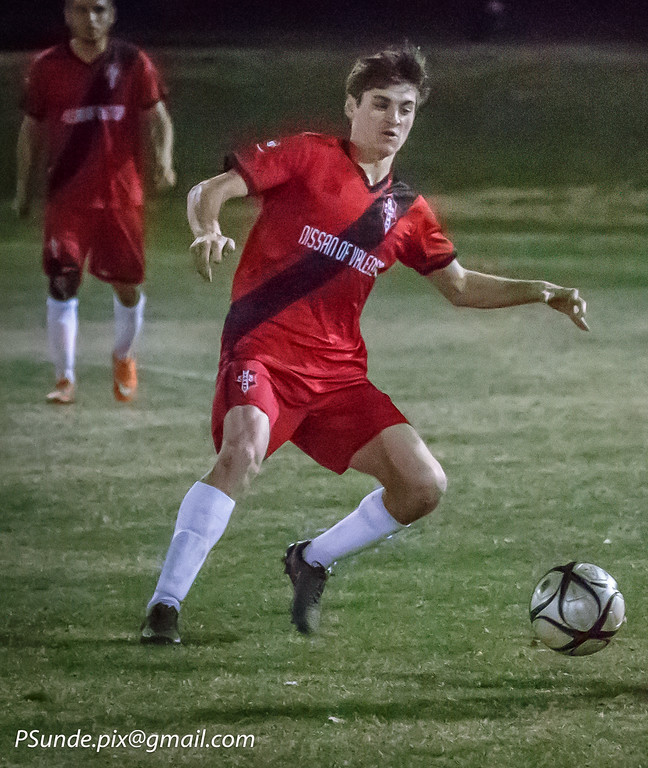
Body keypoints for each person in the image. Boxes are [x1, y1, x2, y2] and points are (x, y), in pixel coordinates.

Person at [140, 43, 588, 644]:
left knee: (423, 486)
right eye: (381, 104)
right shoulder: (306, 157)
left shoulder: (406, 210)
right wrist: (208, 230)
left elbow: (457, 286)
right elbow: (209, 191)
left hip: (338, 378)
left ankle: (312, 558)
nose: (394, 119)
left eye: (406, 108)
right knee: (242, 449)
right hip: (262, 353)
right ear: (352, 106)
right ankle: (165, 605)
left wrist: (541, 291)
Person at [14, 0, 176, 404]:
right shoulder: (46, 67)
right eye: (82, 10)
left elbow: (158, 119)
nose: (91, 19)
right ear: (68, 14)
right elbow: (30, 130)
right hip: (67, 199)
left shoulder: (133, 61)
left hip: (121, 199)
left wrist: (165, 161)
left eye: (100, 10)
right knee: (63, 280)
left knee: (126, 287)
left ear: (113, 14)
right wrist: (22, 189)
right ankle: (64, 378)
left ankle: (123, 355)